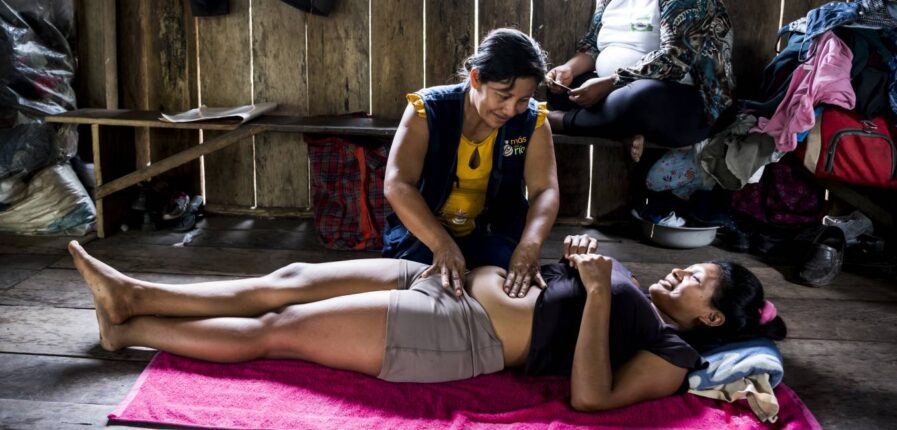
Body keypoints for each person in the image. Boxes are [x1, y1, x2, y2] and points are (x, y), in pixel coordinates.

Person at [70, 234, 786, 411]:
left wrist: (597, 293)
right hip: (439, 282)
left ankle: (128, 327)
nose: (681, 275)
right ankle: (135, 289)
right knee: (283, 281)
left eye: (697, 282)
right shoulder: (633, 282)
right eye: (691, 267)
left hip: (458, 335)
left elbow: (590, 398)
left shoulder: (667, 352)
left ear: (710, 316)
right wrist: (569, 260)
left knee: (279, 326)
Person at [382, 28, 559, 299]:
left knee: (507, 288)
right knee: (419, 289)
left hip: (492, 231)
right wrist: (441, 243)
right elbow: (398, 184)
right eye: (502, 95)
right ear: (476, 78)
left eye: (523, 99)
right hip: (425, 234)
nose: (511, 110)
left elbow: (543, 190)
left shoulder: (533, 122)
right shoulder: (428, 110)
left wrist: (530, 245)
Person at [545, 0, 735, 162]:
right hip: (619, 90)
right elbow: (592, 47)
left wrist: (611, 82)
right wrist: (568, 69)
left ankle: (563, 121)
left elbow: (674, 60)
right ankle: (622, 128)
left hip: (683, 103)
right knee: (562, 91)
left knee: (640, 99)